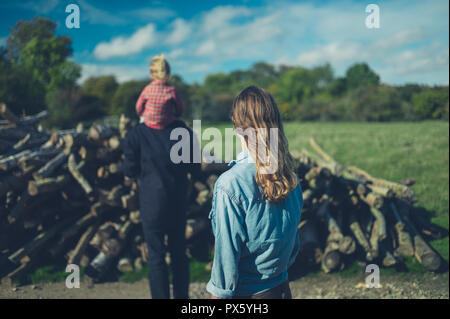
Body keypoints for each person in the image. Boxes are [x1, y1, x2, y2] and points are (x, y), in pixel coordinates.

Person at [206, 86, 303, 299]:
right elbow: (292, 250)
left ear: (235, 124)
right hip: (282, 290)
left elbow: (225, 265)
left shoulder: (230, 184)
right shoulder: (291, 179)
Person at [123, 56, 200, 299]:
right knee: (179, 253)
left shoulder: (136, 134)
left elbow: (130, 170)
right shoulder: (183, 132)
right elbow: (195, 168)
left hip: (151, 204)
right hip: (177, 202)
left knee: (156, 257)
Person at [136, 53, 184, 128]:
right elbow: (180, 109)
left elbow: (138, 108)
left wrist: (142, 115)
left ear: (151, 74)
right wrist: (176, 115)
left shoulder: (147, 89)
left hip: (148, 124)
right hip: (167, 124)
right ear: (168, 73)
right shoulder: (172, 90)